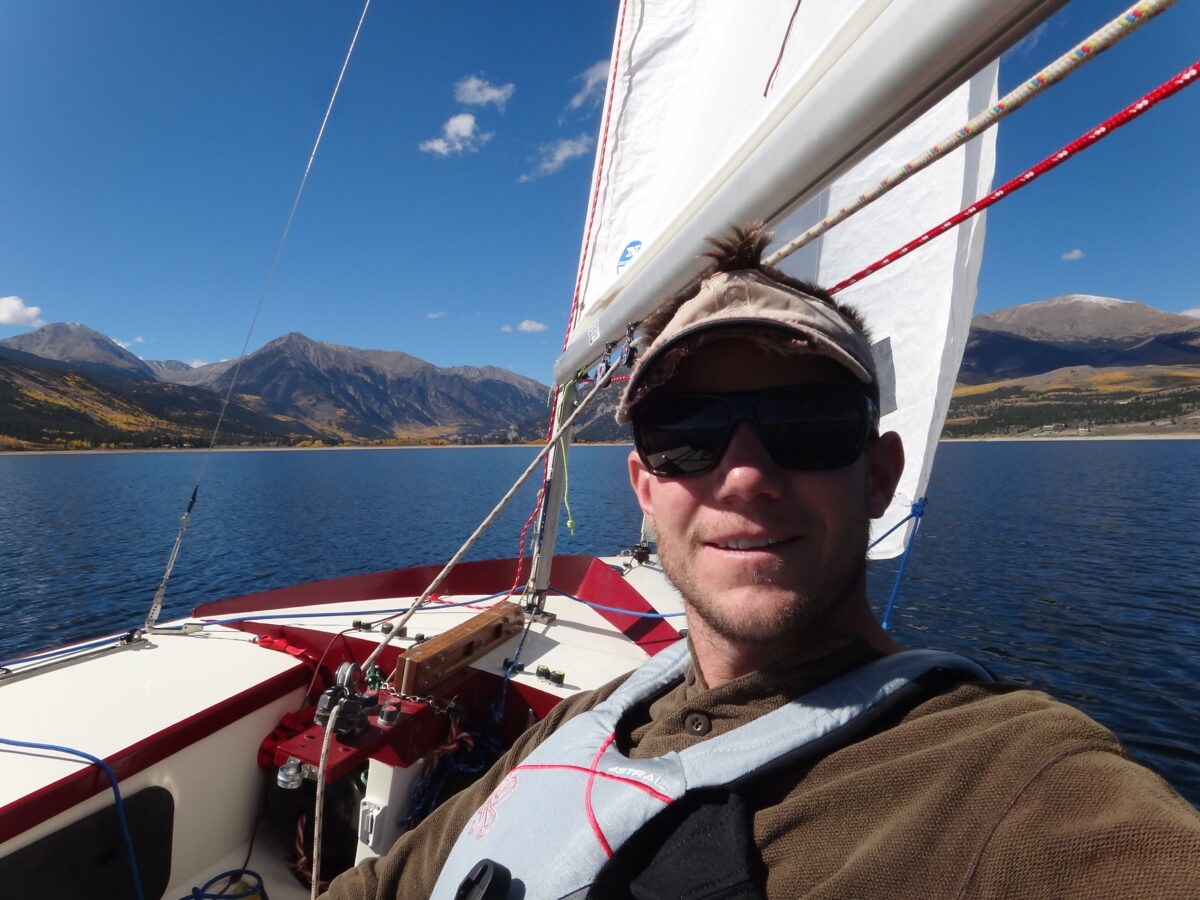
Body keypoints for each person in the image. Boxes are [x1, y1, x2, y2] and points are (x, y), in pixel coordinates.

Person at [324, 227, 1200, 899]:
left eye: (806, 424)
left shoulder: (1008, 783)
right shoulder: (573, 728)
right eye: (688, 436)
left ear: (881, 476)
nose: (744, 475)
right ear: (644, 486)